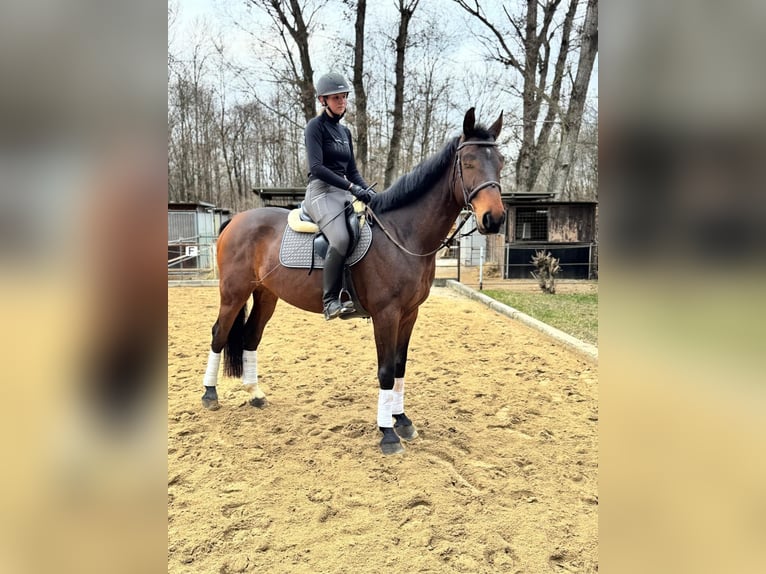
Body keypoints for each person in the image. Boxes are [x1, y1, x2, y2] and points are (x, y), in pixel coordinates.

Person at [303, 72, 375, 320]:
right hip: (320, 192)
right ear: (323, 100)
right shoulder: (315, 127)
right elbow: (317, 168)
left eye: (344, 97)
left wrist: (367, 191)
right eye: (336, 98)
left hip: (343, 193)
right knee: (342, 239)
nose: (342, 102)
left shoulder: (345, 133)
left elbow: (352, 170)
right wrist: (352, 188)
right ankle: (330, 301)